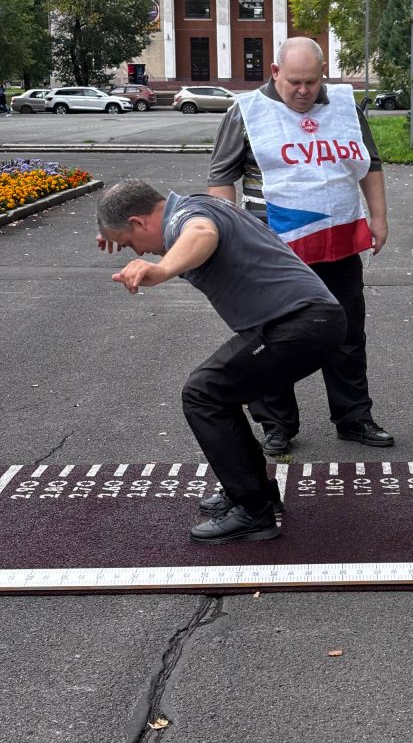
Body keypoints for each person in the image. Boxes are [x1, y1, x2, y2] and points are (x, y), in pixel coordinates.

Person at [96, 179, 347, 544]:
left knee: (203, 393)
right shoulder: (195, 204)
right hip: (304, 321)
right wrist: (108, 228)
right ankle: (256, 493)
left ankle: (253, 512)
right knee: (216, 392)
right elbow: (184, 226)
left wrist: (163, 269)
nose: (141, 252)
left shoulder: (190, 217)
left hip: (300, 324)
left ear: (138, 221)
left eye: (133, 242)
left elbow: (201, 233)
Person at [207, 36, 394, 454]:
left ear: (322, 75)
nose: (303, 91)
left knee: (346, 333)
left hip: (338, 243)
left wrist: (378, 218)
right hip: (271, 251)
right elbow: (221, 177)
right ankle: (276, 424)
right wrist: (231, 234)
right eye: (294, 82)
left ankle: (354, 417)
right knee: (271, 338)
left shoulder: (345, 106)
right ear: (275, 73)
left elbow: (371, 163)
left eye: (311, 82)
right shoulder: (247, 112)